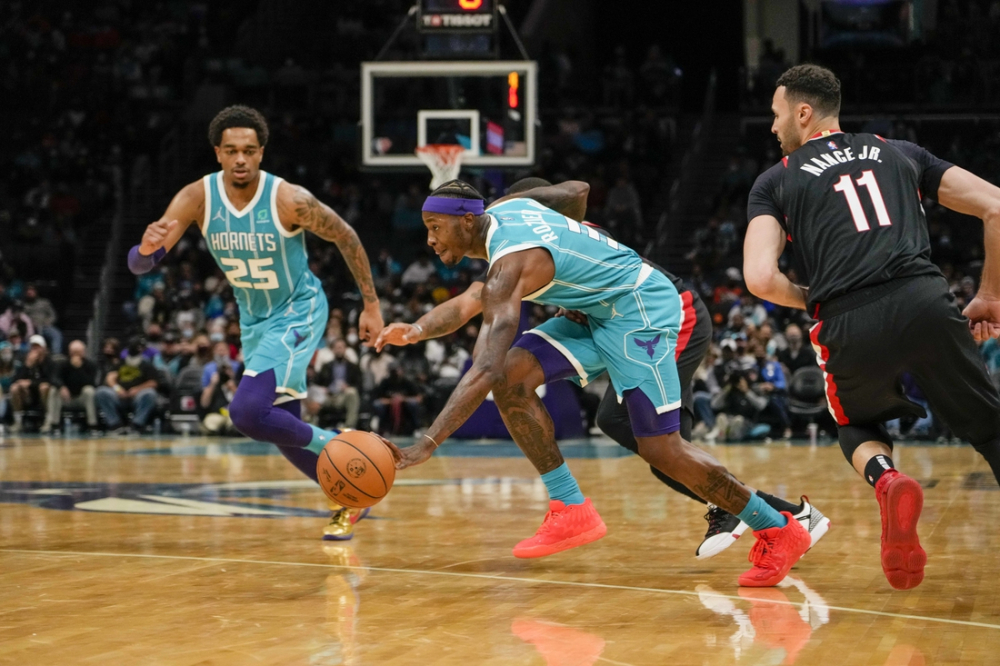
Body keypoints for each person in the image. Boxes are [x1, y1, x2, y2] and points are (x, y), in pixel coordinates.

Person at [392, 179, 816, 588]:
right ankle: (570, 506)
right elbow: (576, 190)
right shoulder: (508, 207)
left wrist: (427, 442)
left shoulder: (509, 265)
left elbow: (483, 366)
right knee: (512, 376)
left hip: (641, 307)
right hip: (598, 310)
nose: (429, 239)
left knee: (662, 449)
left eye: (435, 227)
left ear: (467, 220)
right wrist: (574, 257)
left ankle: (778, 527)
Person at [743, 64, 1000, 590]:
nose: (772, 126)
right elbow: (996, 207)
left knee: (856, 426)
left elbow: (760, 278)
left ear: (803, 113)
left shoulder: (775, 180)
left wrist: (814, 297)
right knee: (992, 431)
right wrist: (991, 295)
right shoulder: (900, 151)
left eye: (775, 114)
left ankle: (888, 480)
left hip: (846, 317)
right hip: (924, 299)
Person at [126, 105, 387, 541]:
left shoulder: (289, 199)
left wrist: (371, 304)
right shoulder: (197, 197)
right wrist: (144, 250)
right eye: (231, 150)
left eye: (249, 150)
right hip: (254, 320)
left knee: (246, 412)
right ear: (218, 153)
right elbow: (141, 264)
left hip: (299, 310)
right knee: (279, 423)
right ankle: (349, 495)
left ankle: (344, 445)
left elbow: (346, 234)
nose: (240, 159)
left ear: (261, 152)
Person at [95, 336, 161, 435]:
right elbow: (110, 378)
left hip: (137, 397)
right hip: (120, 395)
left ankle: (136, 425)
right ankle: (115, 424)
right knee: (101, 392)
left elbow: (153, 383)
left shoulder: (146, 364)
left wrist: (137, 389)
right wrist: (118, 389)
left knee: (150, 393)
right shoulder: (121, 362)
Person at [46, 339, 98, 432]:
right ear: (69, 353)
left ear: (83, 353)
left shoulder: (90, 365)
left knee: (89, 390)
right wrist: (61, 386)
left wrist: (79, 369)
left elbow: (91, 383)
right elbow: (54, 378)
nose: (76, 355)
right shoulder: (62, 364)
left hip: (81, 398)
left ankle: (92, 424)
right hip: (66, 398)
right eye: (74, 352)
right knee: (54, 390)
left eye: (78, 352)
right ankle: (54, 424)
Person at [311, 338, 361, 429]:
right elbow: (317, 382)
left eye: (341, 347)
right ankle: (312, 426)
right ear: (333, 350)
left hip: (343, 396)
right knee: (312, 392)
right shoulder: (326, 366)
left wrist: (348, 386)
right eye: (337, 348)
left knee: (352, 392)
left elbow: (359, 384)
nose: (339, 350)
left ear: (345, 349)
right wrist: (322, 388)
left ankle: (349, 426)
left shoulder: (353, 367)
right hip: (328, 396)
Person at [9, 335, 54, 433]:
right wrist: (27, 365)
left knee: (44, 387)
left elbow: (51, 380)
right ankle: (18, 421)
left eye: (37, 347)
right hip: (28, 394)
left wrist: (31, 383)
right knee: (14, 388)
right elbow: (15, 379)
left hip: (43, 394)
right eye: (33, 347)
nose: (35, 349)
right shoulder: (25, 360)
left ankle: (48, 420)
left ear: (44, 348)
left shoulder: (50, 361)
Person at [22, 283, 62, 354]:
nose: (30, 292)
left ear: (36, 291)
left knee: (56, 334)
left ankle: (56, 354)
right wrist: (29, 324)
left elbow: (53, 315)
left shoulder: (45, 302)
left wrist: (47, 322)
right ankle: (28, 356)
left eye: (32, 290)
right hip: (31, 329)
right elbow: (22, 318)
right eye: (28, 290)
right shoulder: (24, 305)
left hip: (45, 327)